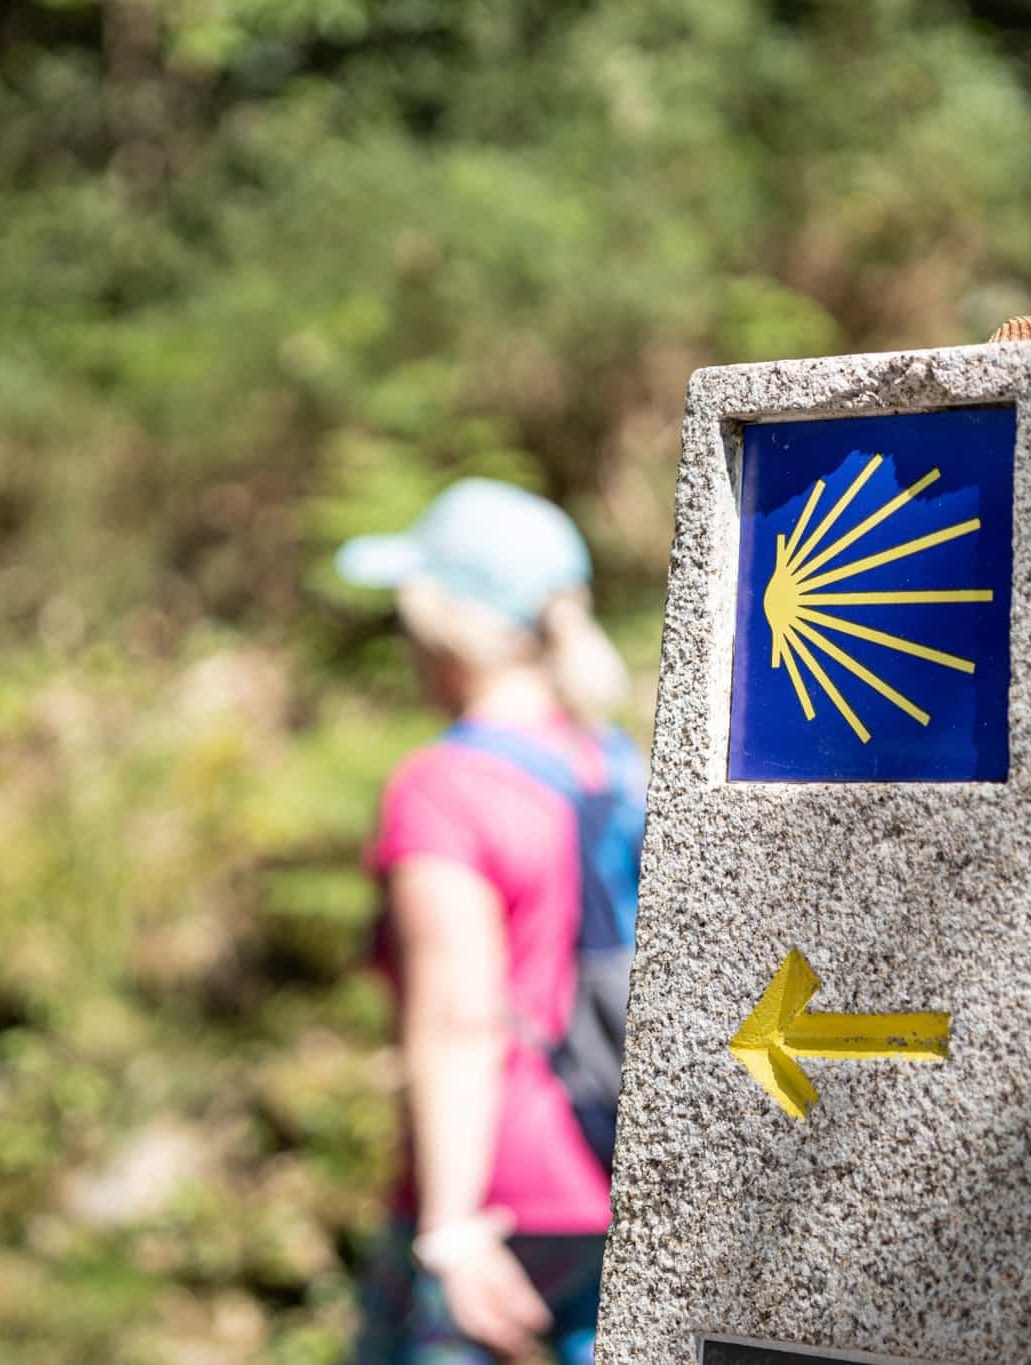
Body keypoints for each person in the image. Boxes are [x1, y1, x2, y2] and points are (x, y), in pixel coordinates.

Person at [339, 479, 641, 1364]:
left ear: (442, 626)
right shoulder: (616, 764)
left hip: (495, 1190)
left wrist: (453, 1227)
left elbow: (461, 1015)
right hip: (616, 1169)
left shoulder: (445, 787)